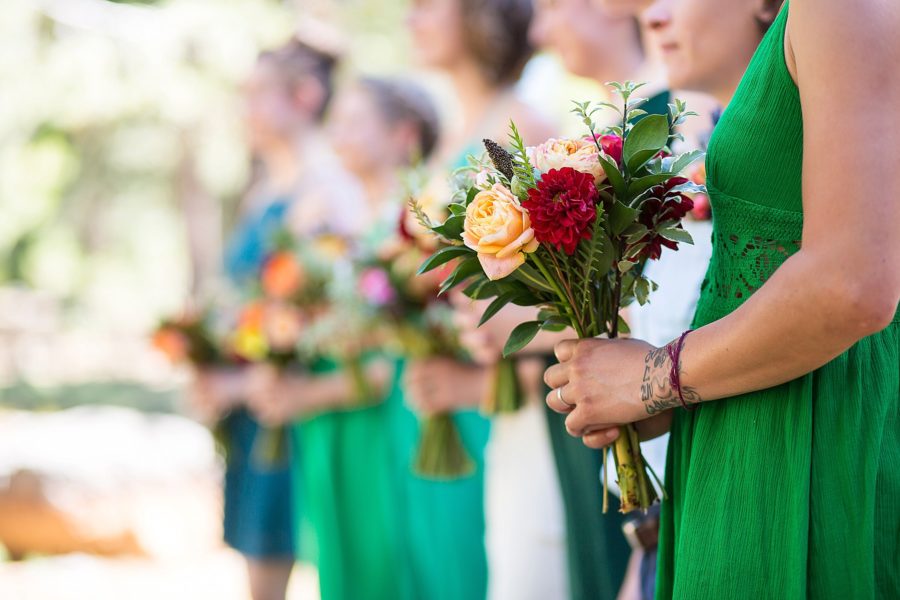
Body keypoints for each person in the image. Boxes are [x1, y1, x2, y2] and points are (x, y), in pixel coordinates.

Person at [544, 1, 900, 598]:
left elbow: (853, 285)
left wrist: (653, 377)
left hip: (819, 435)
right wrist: (666, 391)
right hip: (751, 422)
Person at [249, 76, 440, 600]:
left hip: (382, 420)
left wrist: (305, 392)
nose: (340, 135)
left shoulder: (421, 219)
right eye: (338, 121)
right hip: (328, 421)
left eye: (356, 121)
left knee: (387, 566)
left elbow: (392, 352)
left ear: (403, 135)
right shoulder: (329, 218)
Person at [400, 1, 558, 599]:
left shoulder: (520, 121)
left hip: (511, 391)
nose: (410, 20)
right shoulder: (453, 130)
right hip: (461, 386)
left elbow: (551, 286)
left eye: (426, 6)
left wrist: (479, 380)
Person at [188, 38, 343, 600]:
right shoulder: (262, 190)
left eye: (257, 94)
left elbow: (320, 312)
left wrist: (242, 377)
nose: (245, 109)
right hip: (253, 409)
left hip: (297, 404)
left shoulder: (326, 184)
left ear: (305, 95)